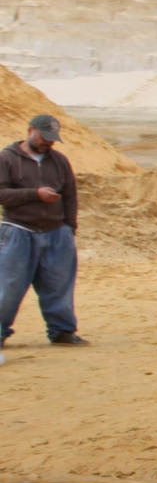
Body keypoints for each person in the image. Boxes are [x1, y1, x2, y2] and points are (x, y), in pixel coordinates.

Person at [0, 112, 84, 349]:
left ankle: (62, 332)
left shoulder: (60, 161)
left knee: (58, 285)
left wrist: (69, 228)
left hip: (57, 232)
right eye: (44, 136)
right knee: (9, 286)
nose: (48, 142)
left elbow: (70, 196)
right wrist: (34, 194)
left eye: (52, 138)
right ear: (29, 131)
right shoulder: (6, 159)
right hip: (18, 231)